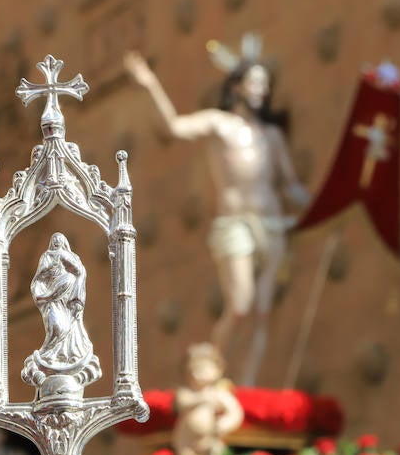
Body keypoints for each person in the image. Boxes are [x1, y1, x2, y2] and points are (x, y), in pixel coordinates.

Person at [124, 36, 309, 385]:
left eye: (264, 84)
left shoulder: (271, 136)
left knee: (262, 312)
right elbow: (175, 127)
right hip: (235, 222)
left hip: (271, 223)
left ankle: (248, 386)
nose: (261, 90)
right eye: (254, 82)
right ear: (237, 86)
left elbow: (289, 184)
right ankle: (207, 377)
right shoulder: (218, 123)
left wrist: (318, 204)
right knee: (240, 305)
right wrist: (150, 85)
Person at [21, 232, 102, 393]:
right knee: (57, 326)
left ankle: (64, 355)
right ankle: (49, 353)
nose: (57, 242)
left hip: (66, 297)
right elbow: (40, 277)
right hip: (51, 299)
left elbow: (79, 271)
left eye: (59, 240)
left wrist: (75, 295)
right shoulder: (46, 256)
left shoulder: (69, 258)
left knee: (66, 327)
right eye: (54, 240)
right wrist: (43, 293)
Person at [173, 343, 244, 455]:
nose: (201, 374)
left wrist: (226, 423)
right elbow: (181, 402)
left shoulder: (218, 394)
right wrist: (202, 398)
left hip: (210, 436)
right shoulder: (186, 393)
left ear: (218, 371)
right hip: (186, 436)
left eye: (206, 369)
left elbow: (235, 412)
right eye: (197, 369)